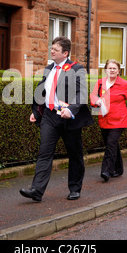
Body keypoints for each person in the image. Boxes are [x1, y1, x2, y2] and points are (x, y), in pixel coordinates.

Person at [19, 37, 93, 202]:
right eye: (51, 48)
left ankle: (74, 188)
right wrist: (36, 112)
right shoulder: (48, 68)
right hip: (50, 117)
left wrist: (70, 110)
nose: (51, 51)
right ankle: (37, 190)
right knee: (44, 153)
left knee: (74, 154)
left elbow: (81, 95)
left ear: (65, 53)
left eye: (55, 49)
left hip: (70, 119)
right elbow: (42, 92)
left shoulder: (77, 69)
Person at [90, 59, 127, 182]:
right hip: (104, 119)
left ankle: (106, 170)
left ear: (118, 71)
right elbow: (93, 95)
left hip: (119, 120)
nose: (112, 70)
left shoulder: (124, 84)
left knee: (111, 144)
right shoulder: (100, 82)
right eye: (109, 68)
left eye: (114, 68)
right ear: (105, 70)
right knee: (112, 145)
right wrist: (96, 100)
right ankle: (119, 168)